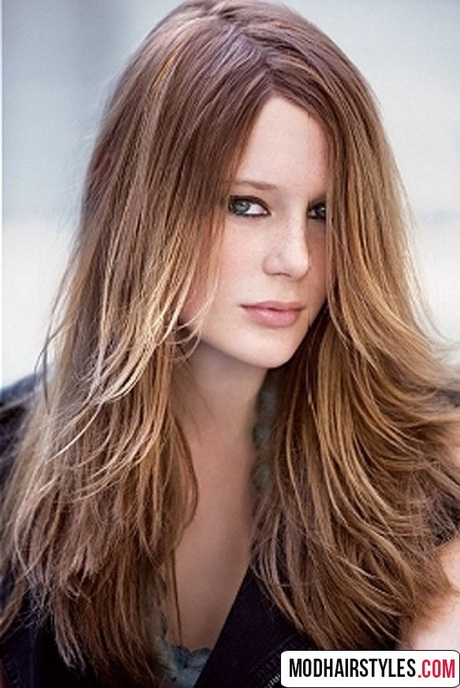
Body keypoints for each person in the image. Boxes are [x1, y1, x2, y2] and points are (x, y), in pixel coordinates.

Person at [1, 1, 459, 686]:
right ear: (130, 198)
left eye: (324, 211)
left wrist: (429, 663)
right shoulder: (11, 473)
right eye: (247, 205)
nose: (296, 258)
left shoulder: (436, 468)